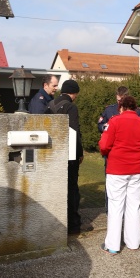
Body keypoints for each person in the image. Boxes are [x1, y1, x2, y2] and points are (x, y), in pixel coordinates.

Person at [98, 96, 140, 254]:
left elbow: (104, 145)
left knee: (116, 206)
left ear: (120, 107)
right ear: (135, 108)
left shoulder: (115, 121)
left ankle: (113, 245)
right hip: (136, 170)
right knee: (133, 206)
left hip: (117, 170)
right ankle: (133, 242)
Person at [46, 79, 88, 235]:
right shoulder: (70, 107)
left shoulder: (50, 105)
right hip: (69, 156)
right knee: (72, 189)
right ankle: (73, 225)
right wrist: (79, 154)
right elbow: (74, 133)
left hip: (52, 155)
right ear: (74, 93)